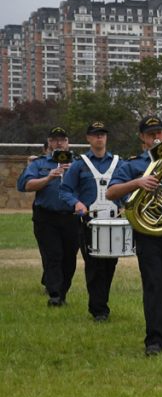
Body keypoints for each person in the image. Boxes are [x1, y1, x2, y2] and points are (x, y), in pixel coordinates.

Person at [106, 116, 162, 355]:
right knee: (154, 285)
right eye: (151, 134)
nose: (156, 137)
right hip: (148, 233)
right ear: (142, 138)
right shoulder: (132, 165)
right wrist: (138, 182)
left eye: (160, 133)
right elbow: (111, 192)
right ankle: (155, 339)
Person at [59, 122, 121, 322]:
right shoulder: (79, 164)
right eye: (95, 135)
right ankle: (99, 310)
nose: (99, 138)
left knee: (110, 265)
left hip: (113, 222)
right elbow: (65, 190)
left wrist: (126, 203)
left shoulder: (119, 163)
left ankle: (101, 302)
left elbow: (128, 187)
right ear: (88, 138)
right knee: (94, 266)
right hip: (89, 222)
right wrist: (76, 203)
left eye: (102, 134)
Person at [17, 127, 78, 307]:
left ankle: (63, 292)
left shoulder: (79, 164)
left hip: (71, 217)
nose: (58, 142)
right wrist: (49, 178)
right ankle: (55, 295)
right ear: (49, 143)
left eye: (62, 139)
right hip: (46, 217)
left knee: (69, 258)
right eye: (54, 139)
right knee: (53, 255)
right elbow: (25, 185)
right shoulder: (39, 163)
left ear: (68, 142)